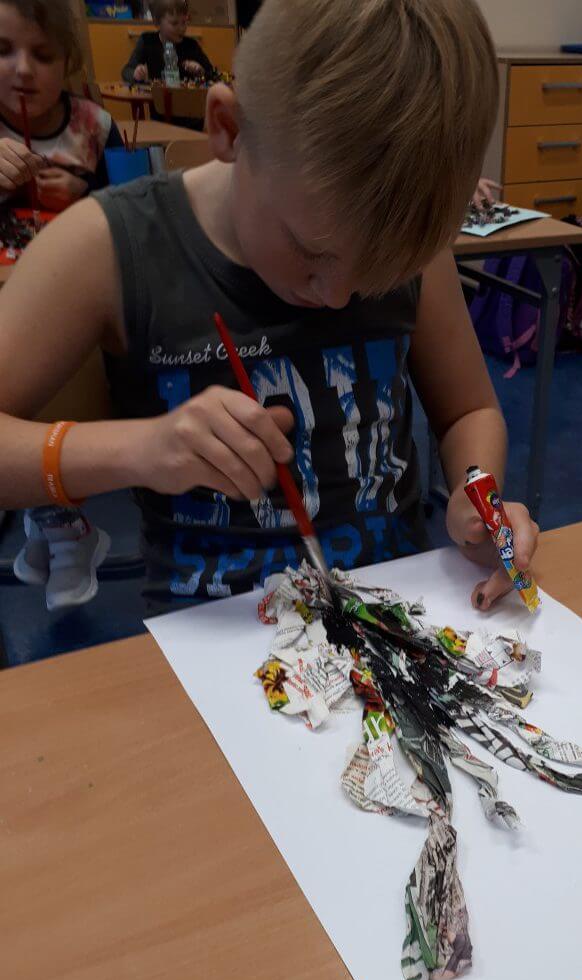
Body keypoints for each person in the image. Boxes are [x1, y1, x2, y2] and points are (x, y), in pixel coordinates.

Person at [0, 0, 539, 618]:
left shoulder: (409, 240)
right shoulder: (109, 246)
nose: (338, 297)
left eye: (380, 272)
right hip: (213, 635)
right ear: (229, 129)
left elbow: (469, 409)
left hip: (395, 613)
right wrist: (138, 449)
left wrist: (476, 491)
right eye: (310, 252)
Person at [0, 0, 121, 608]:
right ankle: (57, 526)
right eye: (3, 51)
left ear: (69, 60)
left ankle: (58, 524)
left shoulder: (94, 129)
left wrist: (86, 197)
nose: (22, 69)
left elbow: (137, 215)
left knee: (55, 407)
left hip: (73, 320)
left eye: (43, 55)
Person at [121, 0, 213, 87]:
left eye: (184, 22)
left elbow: (212, 74)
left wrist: (200, 71)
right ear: (157, 23)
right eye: (174, 23)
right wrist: (135, 74)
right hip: (157, 96)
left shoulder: (191, 45)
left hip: (185, 97)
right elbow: (126, 71)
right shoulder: (147, 41)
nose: (182, 28)